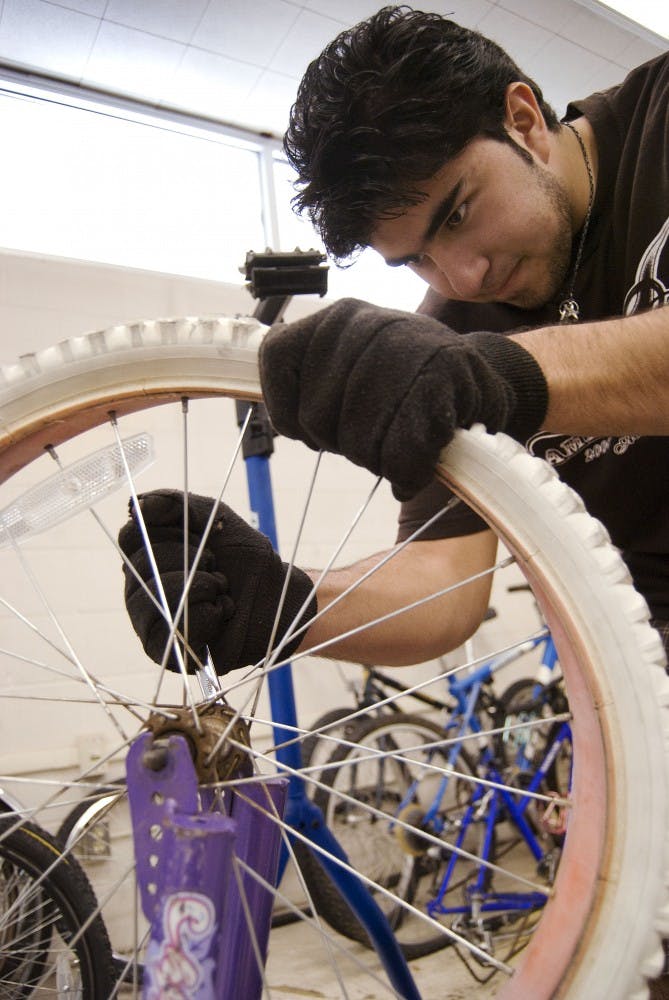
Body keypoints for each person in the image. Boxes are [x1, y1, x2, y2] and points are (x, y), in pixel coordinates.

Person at [120, 2, 669, 672]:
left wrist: (504, 375)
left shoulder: (660, 120)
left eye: (459, 212)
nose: (463, 276)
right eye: (414, 259)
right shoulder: (450, 334)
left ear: (522, 121)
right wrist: (286, 605)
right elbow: (443, 582)